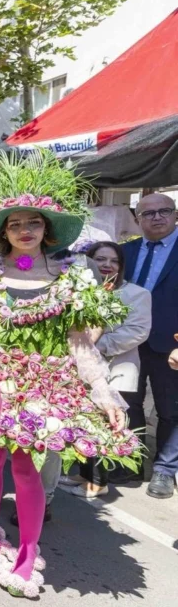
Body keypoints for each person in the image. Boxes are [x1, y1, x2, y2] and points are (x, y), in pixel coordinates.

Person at [0, 152, 141, 599]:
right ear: (4, 232)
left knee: (28, 471)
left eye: (33, 222)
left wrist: (105, 395)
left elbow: (80, 344)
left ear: (46, 229)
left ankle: (29, 553)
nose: (26, 230)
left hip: (44, 388)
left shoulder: (72, 275)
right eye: (16, 224)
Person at [58, 242, 151, 498]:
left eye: (114, 261)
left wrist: (95, 345)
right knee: (85, 420)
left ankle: (99, 482)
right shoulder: (77, 291)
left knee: (106, 423)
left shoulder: (137, 293)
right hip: (81, 368)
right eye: (100, 259)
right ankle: (84, 474)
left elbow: (138, 332)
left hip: (117, 368)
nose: (107, 265)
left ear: (121, 267)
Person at [121, 193, 178, 498]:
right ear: (137, 218)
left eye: (164, 211)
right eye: (148, 213)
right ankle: (131, 461)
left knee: (171, 410)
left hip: (169, 346)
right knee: (129, 404)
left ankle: (165, 470)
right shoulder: (124, 252)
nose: (157, 217)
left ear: (175, 214)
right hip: (128, 343)